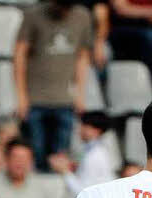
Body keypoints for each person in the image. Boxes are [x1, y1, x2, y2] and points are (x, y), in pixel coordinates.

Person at [14, 0, 93, 169]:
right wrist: (21, 96)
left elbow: (83, 56)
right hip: (35, 98)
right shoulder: (33, 15)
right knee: (36, 155)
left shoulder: (82, 16)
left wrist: (80, 93)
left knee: (60, 159)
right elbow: (20, 54)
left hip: (65, 99)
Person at [48, 111, 117, 198]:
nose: (80, 130)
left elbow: (83, 193)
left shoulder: (95, 155)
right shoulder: (92, 151)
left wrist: (64, 171)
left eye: (85, 126)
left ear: (96, 130)